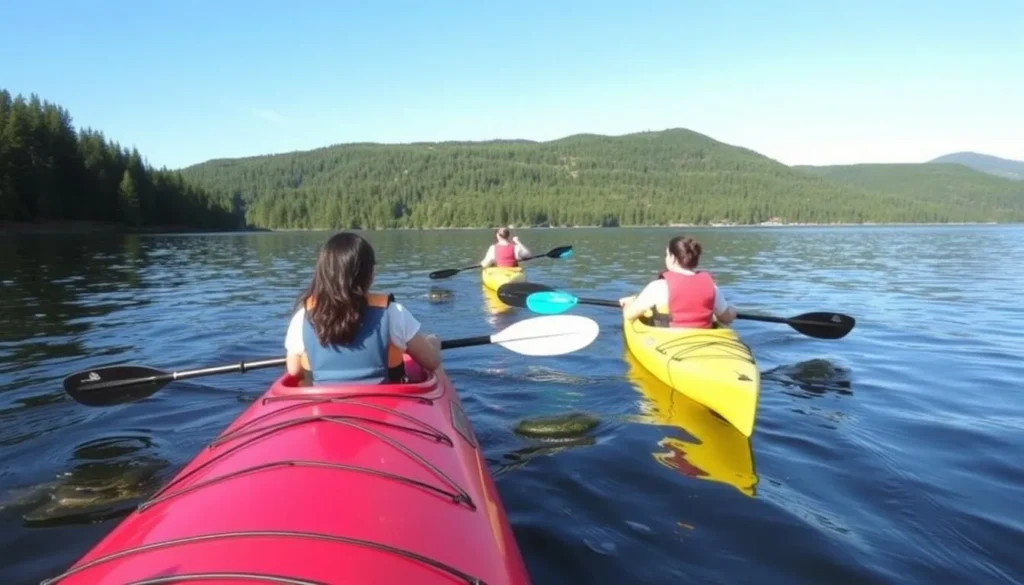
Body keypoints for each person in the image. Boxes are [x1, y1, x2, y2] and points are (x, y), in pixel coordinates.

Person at [285, 232, 442, 384]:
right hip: (385, 406)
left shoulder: (303, 316)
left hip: (326, 406)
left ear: (323, 273)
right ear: (370, 274)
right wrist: (433, 343)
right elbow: (432, 362)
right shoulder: (393, 313)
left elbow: (293, 370)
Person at [619, 235, 737, 328]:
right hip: (703, 339)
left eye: (667, 254)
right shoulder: (711, 287)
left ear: (673, 258)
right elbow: (727, 318)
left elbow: (628, 315)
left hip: (671, 340)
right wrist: (732, 311)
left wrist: (629, 302)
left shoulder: (658, 287)